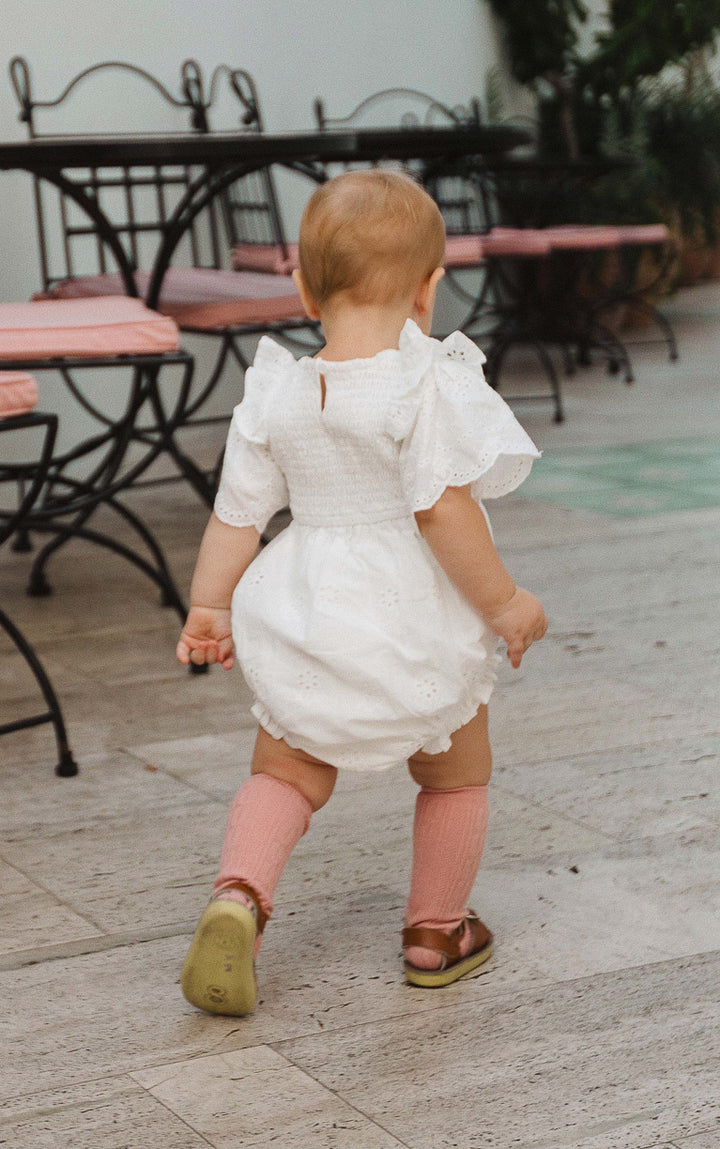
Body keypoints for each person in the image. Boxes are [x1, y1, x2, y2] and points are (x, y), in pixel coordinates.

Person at [176, 168, 547, 1016]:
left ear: (303, 286)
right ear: (430, 287)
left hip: (310, 609)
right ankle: (435, 931)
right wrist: (506, 602)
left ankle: (240, 896)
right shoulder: (426, 383)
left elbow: (238, 515)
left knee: (286, 766)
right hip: (414, 615)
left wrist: (208, 607)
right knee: (455, 772)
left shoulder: (279, 389)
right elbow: (442, 511)